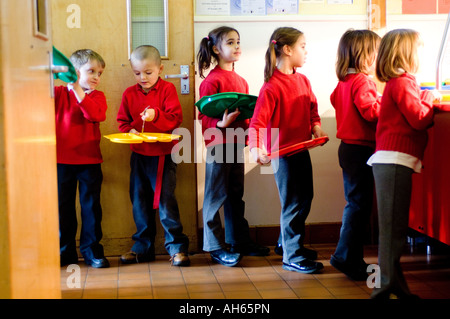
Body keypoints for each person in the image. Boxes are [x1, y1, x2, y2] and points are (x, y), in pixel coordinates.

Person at [368, 29, 441, 299]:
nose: (421, 55)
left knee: (393, 229)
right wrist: (430, 100)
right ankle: (382, 288)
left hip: (393, 162)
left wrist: (424, 99)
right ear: (407, 53)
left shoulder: (399, 83)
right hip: (394, 162)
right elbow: (419, 119)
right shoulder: (402, 82)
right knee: (392, 232)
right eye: (419, 49)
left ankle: (395, 286)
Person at [249, 27, 327, 274]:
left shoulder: (303, 80)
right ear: (287, 49)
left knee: (306, 198)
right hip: (282, 156)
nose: (306, 51)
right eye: (303, 46)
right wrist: (256, 148)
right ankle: (292, 256)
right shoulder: (271, 87)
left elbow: (313, 108)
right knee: (292, 203)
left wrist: (316, 127)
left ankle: (287, 243)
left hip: (301, 150)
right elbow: (257, 124)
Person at [197, 26, 270, 267]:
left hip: (237, 144)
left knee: (235, 195)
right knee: (215, 196)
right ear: (216, 49)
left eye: (238, 41)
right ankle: (215, 247)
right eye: (230, 42)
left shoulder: (241, 81)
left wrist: (251, 141)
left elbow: (247, 114)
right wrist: (221, 123)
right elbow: (205, 118)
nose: (237, 46)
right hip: (219, 146)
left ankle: (238, 241)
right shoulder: (211, 81)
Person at [117, 45, 190, 267]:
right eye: (137, 73)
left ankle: (177, 247)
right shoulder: (129, 93)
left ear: (160, 68)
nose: (143, 77)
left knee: (166, 202)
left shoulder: (167, 89)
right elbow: (122, 122)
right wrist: (129, 130)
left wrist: (155, 114)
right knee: (139, 201)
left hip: (163, 155)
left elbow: (175, 118)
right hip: (139, 155)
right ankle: (142, 247)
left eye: (148, 72)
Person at [329, 29, 381, 281]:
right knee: (359, 206)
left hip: (348, 148)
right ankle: (346, 257)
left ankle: (350, 256)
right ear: (365, 55)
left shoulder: (344, 82)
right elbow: (372, 113)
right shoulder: (362, 81)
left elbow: (335, 100)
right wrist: (388, 104)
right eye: (377, 52)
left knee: (356, 204)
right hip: (361, 149)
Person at [55, 49, 109, 268]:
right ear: (75, 71)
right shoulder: (58, 93)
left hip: (89, 162)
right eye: (91, 71)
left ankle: (92, 251)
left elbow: (95, 115)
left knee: (91, 209)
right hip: (61, 162)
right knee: (62, 208)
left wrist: (78, 89)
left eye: (100, 73)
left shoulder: (97, 96)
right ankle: (64, 252)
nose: (96, 77)